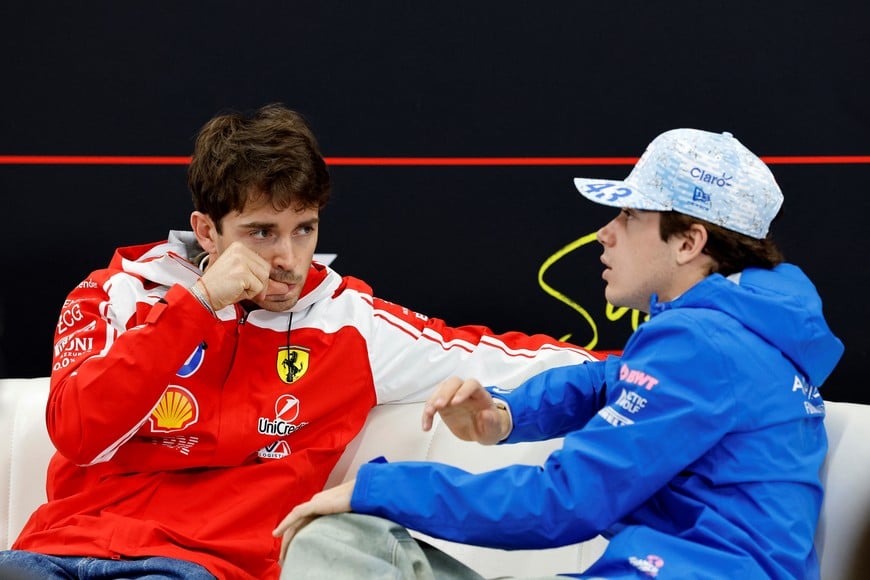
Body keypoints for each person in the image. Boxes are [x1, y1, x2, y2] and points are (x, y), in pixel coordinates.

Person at [0, 104, 598, 580]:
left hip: (195, 568)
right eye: (261, 233)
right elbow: (78, 432)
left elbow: (509, 355)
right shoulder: (118, 294)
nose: (286, 259)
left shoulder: (350, 324)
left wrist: (658, 366)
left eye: (303, 229)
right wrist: (199, 306)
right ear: (207, 229)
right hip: (49, 553)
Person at [274, 128, 845, 579]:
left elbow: (562, 503)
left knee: (342, 542)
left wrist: (380, 488)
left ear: (689, 242)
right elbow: (606, 380)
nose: (605, 233)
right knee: (345, 543)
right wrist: (504, 415)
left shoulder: (704, 346)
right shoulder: (740, 331)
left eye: (629, 216)